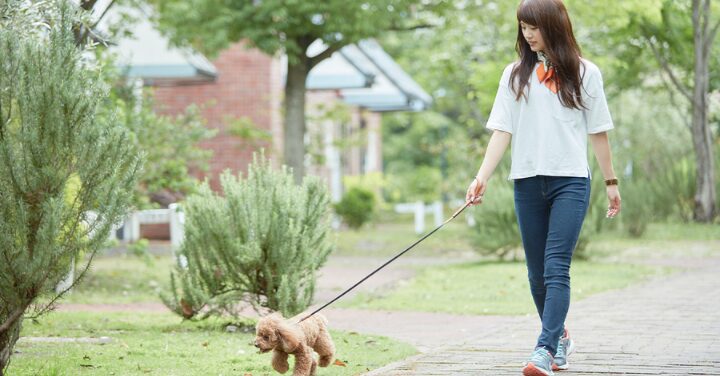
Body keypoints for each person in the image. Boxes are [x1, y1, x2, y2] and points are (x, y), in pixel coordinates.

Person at [464, 0, 621, 375]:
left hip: (570, 180)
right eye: (523, 27)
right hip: (527, 181)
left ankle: (544, 349)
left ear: (553, 25)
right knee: (536, 274)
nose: (527, 34)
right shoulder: (514, 74)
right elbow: (503, 129)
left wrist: (611, 183)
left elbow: (598, 132)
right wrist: (481, 176)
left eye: (533, 27)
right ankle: (560, 337)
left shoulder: (585, 72)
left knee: (555, 267)